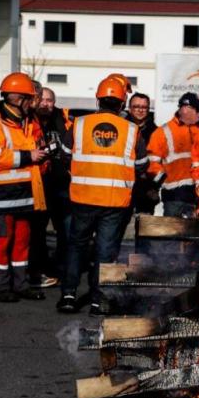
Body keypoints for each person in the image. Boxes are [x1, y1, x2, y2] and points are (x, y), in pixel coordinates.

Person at [58, 77, 148, 314]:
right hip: (114, 201)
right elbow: (142, 164)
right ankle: (99, 301)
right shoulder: (132, 130)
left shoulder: (78, 125)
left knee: (76, 246)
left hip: (82, 197)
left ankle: (68, 295)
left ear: (98, 100)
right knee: (105, 252)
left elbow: (65, 155)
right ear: (122, 103)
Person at [0, 73, 47, 303]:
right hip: (2, 196)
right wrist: (30, 155)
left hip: (23, 194)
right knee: (1, 243)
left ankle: (21, 284)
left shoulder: (25, 123)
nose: (33, 103)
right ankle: (0, 288)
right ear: (19, 99)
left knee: (21, 243)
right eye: (30, 98)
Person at [29, 86, 72, 288]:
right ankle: (40, 268)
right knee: (37, 230)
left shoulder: (63, 120)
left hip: (61, 182)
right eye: (43, 99)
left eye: (50, 100)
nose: (46, 104)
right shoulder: (30, 120)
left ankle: (62, 268)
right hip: (39, 182)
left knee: (65, 229)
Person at [148, 92, 199, 218]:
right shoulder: (162, 132)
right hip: (174, 197)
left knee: (196, 236)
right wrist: (162, 181)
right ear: (185, 109)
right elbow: (152, 163)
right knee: (172, 234)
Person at [121, 92, 158, 253]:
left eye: (144, 107)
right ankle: (109, 263)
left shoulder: (156, 132)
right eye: (136, 106)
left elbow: (160, 162)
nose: (140, 110)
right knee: (117, 228)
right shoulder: (120, 128)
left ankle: (142, 267)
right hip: (123, 186)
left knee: (144, 231)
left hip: (146, 188)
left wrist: (154, 186)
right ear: (129, 108)